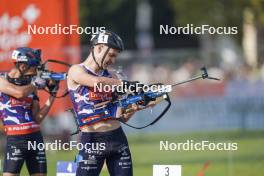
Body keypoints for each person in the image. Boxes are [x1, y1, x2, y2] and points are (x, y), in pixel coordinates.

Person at [67, 30, 140, 176]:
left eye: (115, 57)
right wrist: (125, 84)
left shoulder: (111, 76)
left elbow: (122, 116)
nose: (113, 60)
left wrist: (136, 105)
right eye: (111, 55)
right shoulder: (76, 70)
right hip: (92, 140)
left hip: (118, 139)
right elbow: (96, 82)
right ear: (99, 48)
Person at [0, 47, 58, 176]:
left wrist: (53, 94)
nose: (36, 70)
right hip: (15, 139)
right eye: (34, 66)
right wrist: (36, 84)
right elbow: (19, 93)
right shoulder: (1, 79)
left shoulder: (31, 85)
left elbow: (38, 118)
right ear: (22, 66)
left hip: (35, 138)